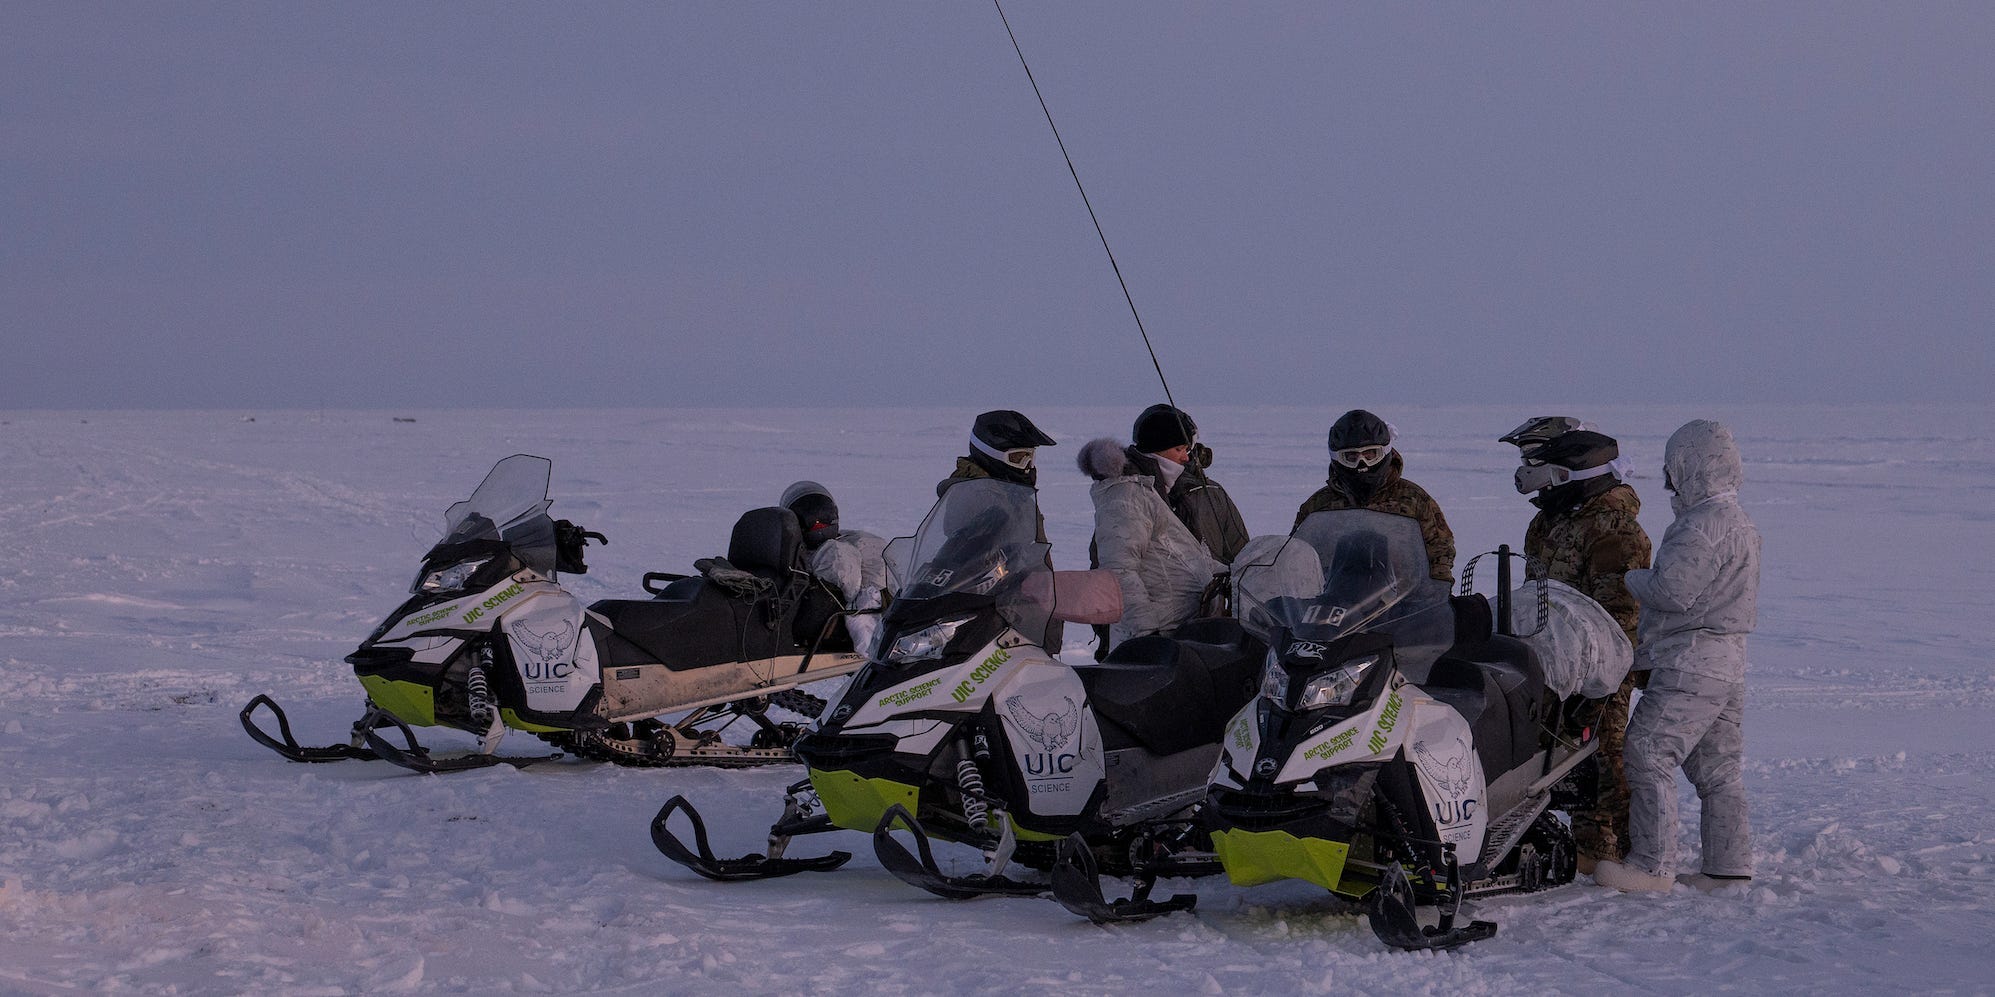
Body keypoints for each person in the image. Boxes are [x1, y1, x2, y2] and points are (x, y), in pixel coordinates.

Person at [1594, 420, 1761, 894]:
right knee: (1718, 770)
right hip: (1728, 661)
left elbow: (1673, 591)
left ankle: (1651, 866)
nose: (1669, 481)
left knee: (1648, 753)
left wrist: (1630, 578)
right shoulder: (1739, 520)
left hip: (1692, 660)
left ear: (1693, 467)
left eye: (1673, 470)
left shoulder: (1701, 526)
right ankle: (1728, 867)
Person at [1500, 416, 1653, 875]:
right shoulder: (1545, 524)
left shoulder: (1616, 532)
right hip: (1547, 658)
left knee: (1602, 752)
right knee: (1543, 750)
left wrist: (1598, 684)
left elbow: (1619, 621)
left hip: (1601, 666)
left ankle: (1618, 852)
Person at [1076, 404, 1249, 655]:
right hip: (1152, 644)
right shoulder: (1126, 496)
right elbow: (1119, 571)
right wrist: (1146, 634)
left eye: (1187, 449)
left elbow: (1188, 557)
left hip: (1183, 635)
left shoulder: (1161, 491)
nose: (1187, 458)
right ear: (1159, 450)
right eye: (1179, 449)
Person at [1294, 409, 1456, 582]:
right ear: (1337, 458)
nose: (1361, 463)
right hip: (1333, 599)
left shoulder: (1414, 499)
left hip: (1404, 603)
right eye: (1351, 456)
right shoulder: (1318, 505)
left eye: (1370, 454)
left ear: (1385, 452)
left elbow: (1440, 550)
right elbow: (1295, 556)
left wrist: (1433, 594)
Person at [781, 481, 890, 653]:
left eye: (822, 518)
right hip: (824, 620)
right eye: (810, 519)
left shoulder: (843, 550)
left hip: (837, 622)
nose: (817, 524)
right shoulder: (800, 552)